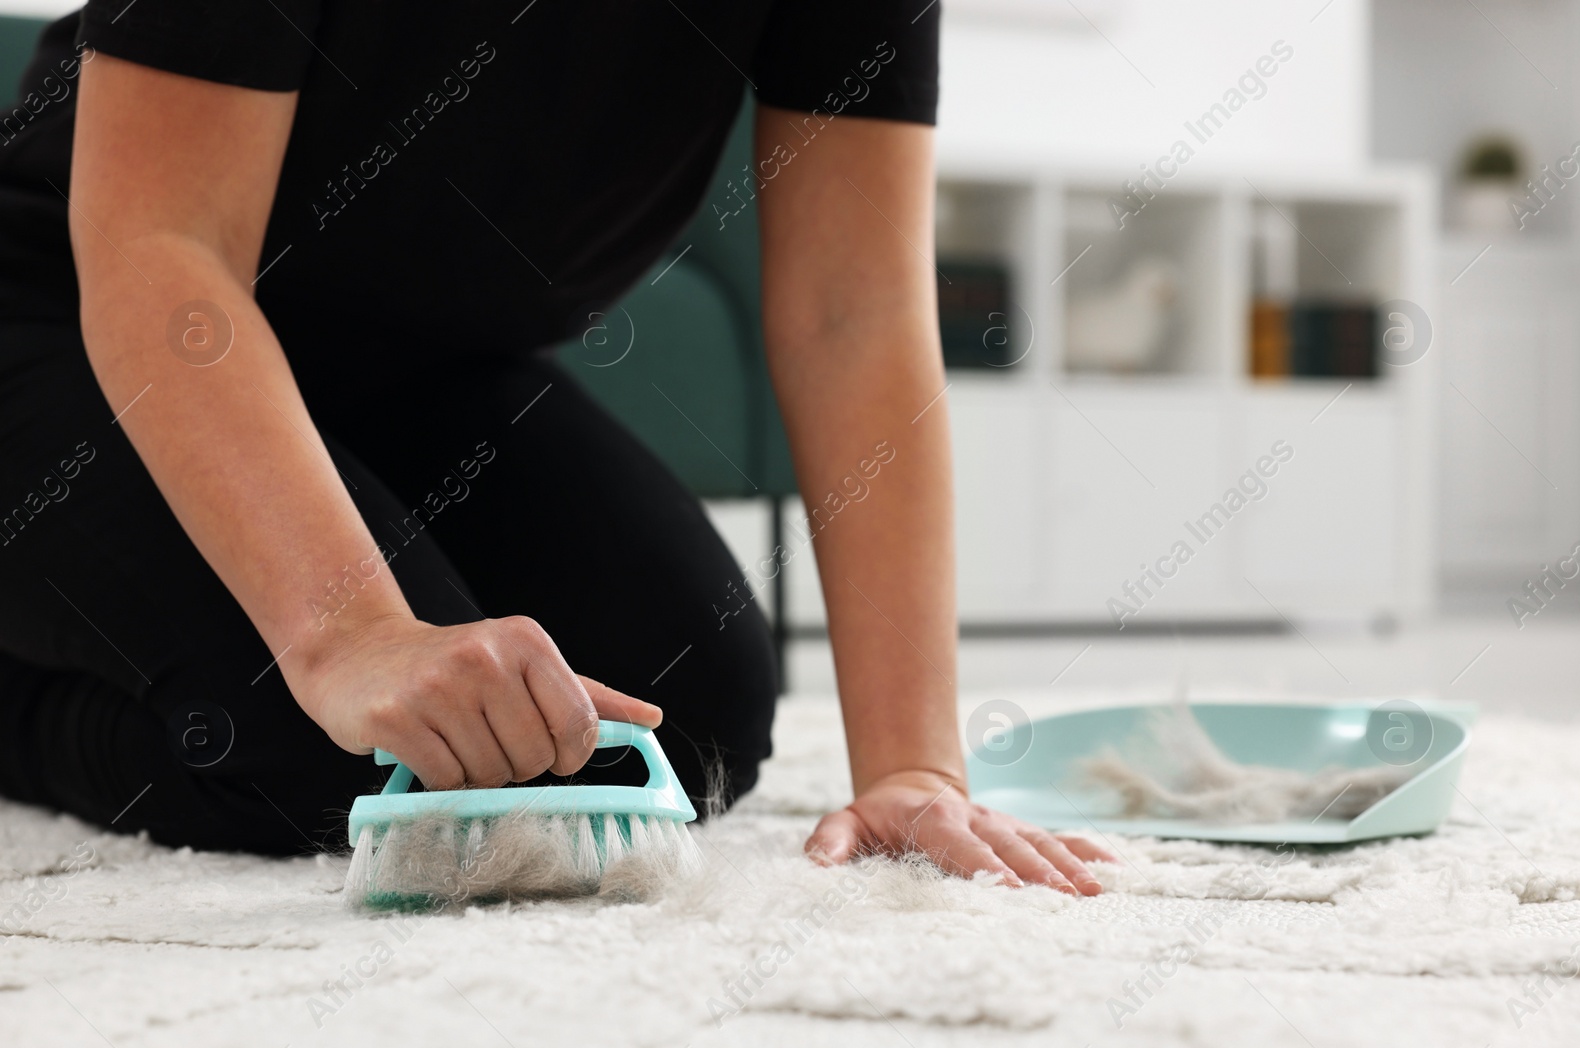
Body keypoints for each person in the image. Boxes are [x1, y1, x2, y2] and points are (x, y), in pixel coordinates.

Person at [0, 0, 1110, 894]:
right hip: (70, 311)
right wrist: (350, 631)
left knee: (680, 713)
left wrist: (911, 764)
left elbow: (850, 309)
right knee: (357, 757)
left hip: (421, 369)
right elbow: (164, 243)